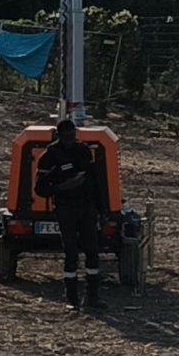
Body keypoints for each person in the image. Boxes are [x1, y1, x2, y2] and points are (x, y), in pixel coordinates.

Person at [35, 118, 103, 312]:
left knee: (92, 251)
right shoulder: (49, 156)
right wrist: (63, 187)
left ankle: (93, 297)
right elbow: (40, 189)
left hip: (87, 207)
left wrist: (102, 209)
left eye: (73, 136)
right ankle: (71, 298)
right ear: (59, 136)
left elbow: (95, 181)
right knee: (71, 253)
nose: (70, 140)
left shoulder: (83, 151)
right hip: (66, 209)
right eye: (66, 137)